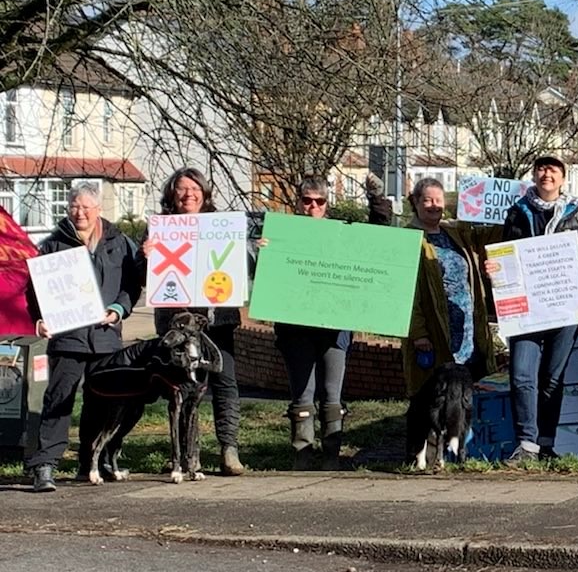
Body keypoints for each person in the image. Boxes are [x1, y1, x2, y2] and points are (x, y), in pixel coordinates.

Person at [24, 182, 143, 492]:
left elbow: (133, 283)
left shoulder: (121, 243)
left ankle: (94, 460)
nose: (78, 213)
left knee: (103, 402)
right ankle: (45, 466)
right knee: (59, 399)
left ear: (98, 210)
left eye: (85, 208)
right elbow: (33, 290)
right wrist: (38, 320)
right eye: (73, 207)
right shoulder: (52, 245)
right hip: (68, 337)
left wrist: (119, 308)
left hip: (106, 337)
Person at [502, 155, 578, 462]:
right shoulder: (517, 213)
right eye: (541, 169)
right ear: (534, 175)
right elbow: (505, 256)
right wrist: (495, 269)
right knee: (521, 375)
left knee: (551, 378)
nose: (547, 174)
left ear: (563, 179)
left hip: (565, 307)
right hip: (526, 310)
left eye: (553, 170)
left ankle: (545, 443)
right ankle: (526, 444)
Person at [150, 168, 248, 475]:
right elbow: (144, 276)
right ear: (172, 194)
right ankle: (186, 453)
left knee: (224, 382)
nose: (188, 194)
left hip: (216, 321)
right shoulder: (161, 229)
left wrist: (256, 250)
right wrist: (146, 256)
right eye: (181, 188)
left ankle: (229, 450)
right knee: (182, 387)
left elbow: (240, 266)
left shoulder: (222, 227)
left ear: (204, 194)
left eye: (194, 188)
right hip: (177, 326)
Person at [392, 175, 500, 397]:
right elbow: (404, 293)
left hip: (468, 326)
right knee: (438, 393)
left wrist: (502, 211)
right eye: (428, 201)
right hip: (436, 330)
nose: (434, 206)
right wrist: (419, 333)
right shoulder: (408, 238)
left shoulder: (454, 232)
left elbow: (491, 236)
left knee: (468, 388)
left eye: (438, 200)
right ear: (416, 202)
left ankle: (463, 431)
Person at [272, 176, 354, 470]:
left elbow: (374, 246)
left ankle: (332, 456)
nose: (312, 207)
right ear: (297, 202)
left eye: (319, 201)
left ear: (326, 204)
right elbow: (264, 273)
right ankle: (302, 455)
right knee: (302, 393)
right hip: (295, 329)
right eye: (307, 200)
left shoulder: (343, 234)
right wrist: (264, 249)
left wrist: (378, 201)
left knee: (332, 393)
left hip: (334, 328)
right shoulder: (281, 234)